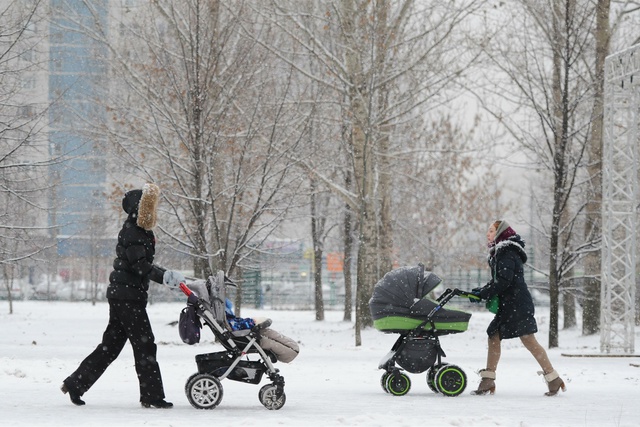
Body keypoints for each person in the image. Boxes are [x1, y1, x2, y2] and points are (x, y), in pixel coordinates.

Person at [61, 183, 185, 408]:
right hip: (127, 298)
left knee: (111, 346)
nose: (154, 210)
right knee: (145, 344)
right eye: (150, 206)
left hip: (124, 295)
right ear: (141, 208)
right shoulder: (133, 231)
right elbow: (140, 265)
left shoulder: (139, 230)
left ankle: (75, 383)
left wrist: (165, 275)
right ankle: (152, 396)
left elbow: (143, 265)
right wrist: (166, 276)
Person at [469, 219, 565, 396]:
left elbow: (504, 282)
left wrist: (484, 293)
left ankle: (553, 378)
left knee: (527, 339)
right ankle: (489, 380)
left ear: (500, 233)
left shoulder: (507, 252)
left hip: (516, 304)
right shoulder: (501, 252)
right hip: (511, 304)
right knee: (496, 335)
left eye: (491, 231)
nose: (487, 234)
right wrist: (481, 291)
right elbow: (499, 280)